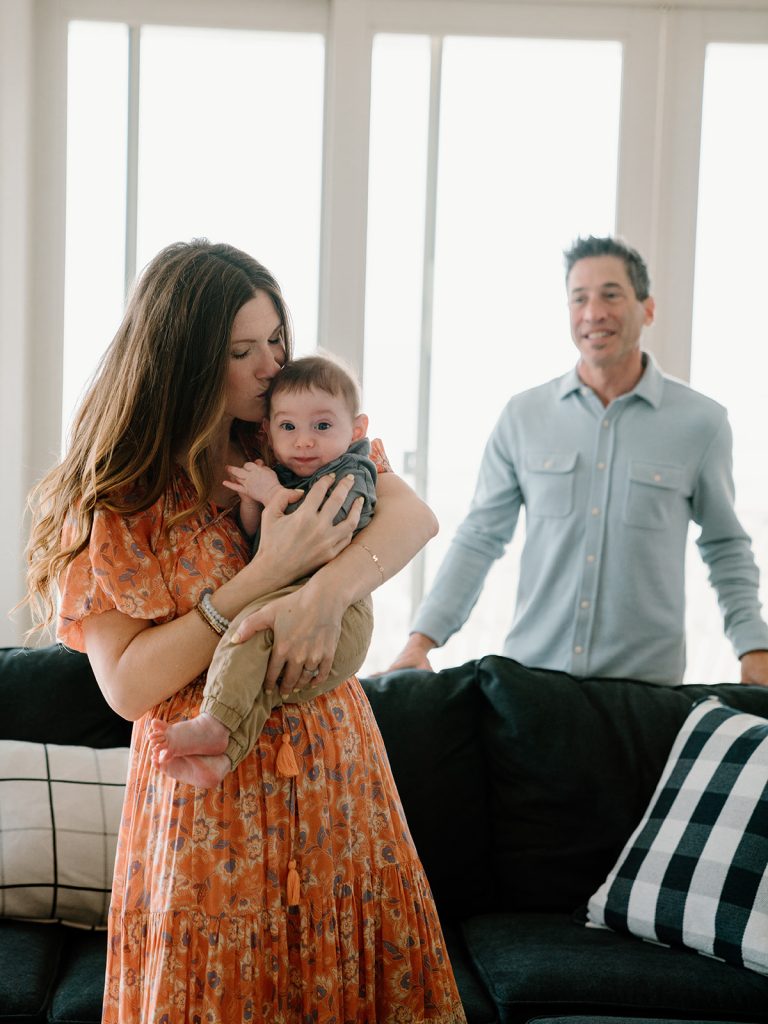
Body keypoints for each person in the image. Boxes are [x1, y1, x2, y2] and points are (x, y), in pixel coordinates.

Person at [25, 240, 466, 1023]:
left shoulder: (294, 435)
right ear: (184, 363)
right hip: (211, 818)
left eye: (276, 340)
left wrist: (322, 595)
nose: (271, 366)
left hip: (337, 785)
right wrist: (265, 577)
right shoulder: (123, 500)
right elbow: (127, 686)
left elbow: (413, 517)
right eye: (242, 351)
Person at [388, 235, 768, 686]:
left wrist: (753, 647)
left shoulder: (701, 423)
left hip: (647, 691)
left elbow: (725, 546)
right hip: (533, 682)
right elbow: (480, 538)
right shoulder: (523, 416)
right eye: (579, 298)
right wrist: (421, 641)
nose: (593, 313)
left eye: (611, 295)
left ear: (647, 309)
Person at [148, 354, 379, 789]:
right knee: (262, 675)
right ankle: (224, 755)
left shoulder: (352, 471)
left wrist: (272, 494)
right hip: (294, 613)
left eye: (322, 426)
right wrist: (254, 503)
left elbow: (324, 529)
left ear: (356, 430)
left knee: (250, 633)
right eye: (288, 427)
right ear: (269, 430)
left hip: (340, 619)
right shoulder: (287, 473)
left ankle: (214, 721)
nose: (304, 441)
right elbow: (261, 539)